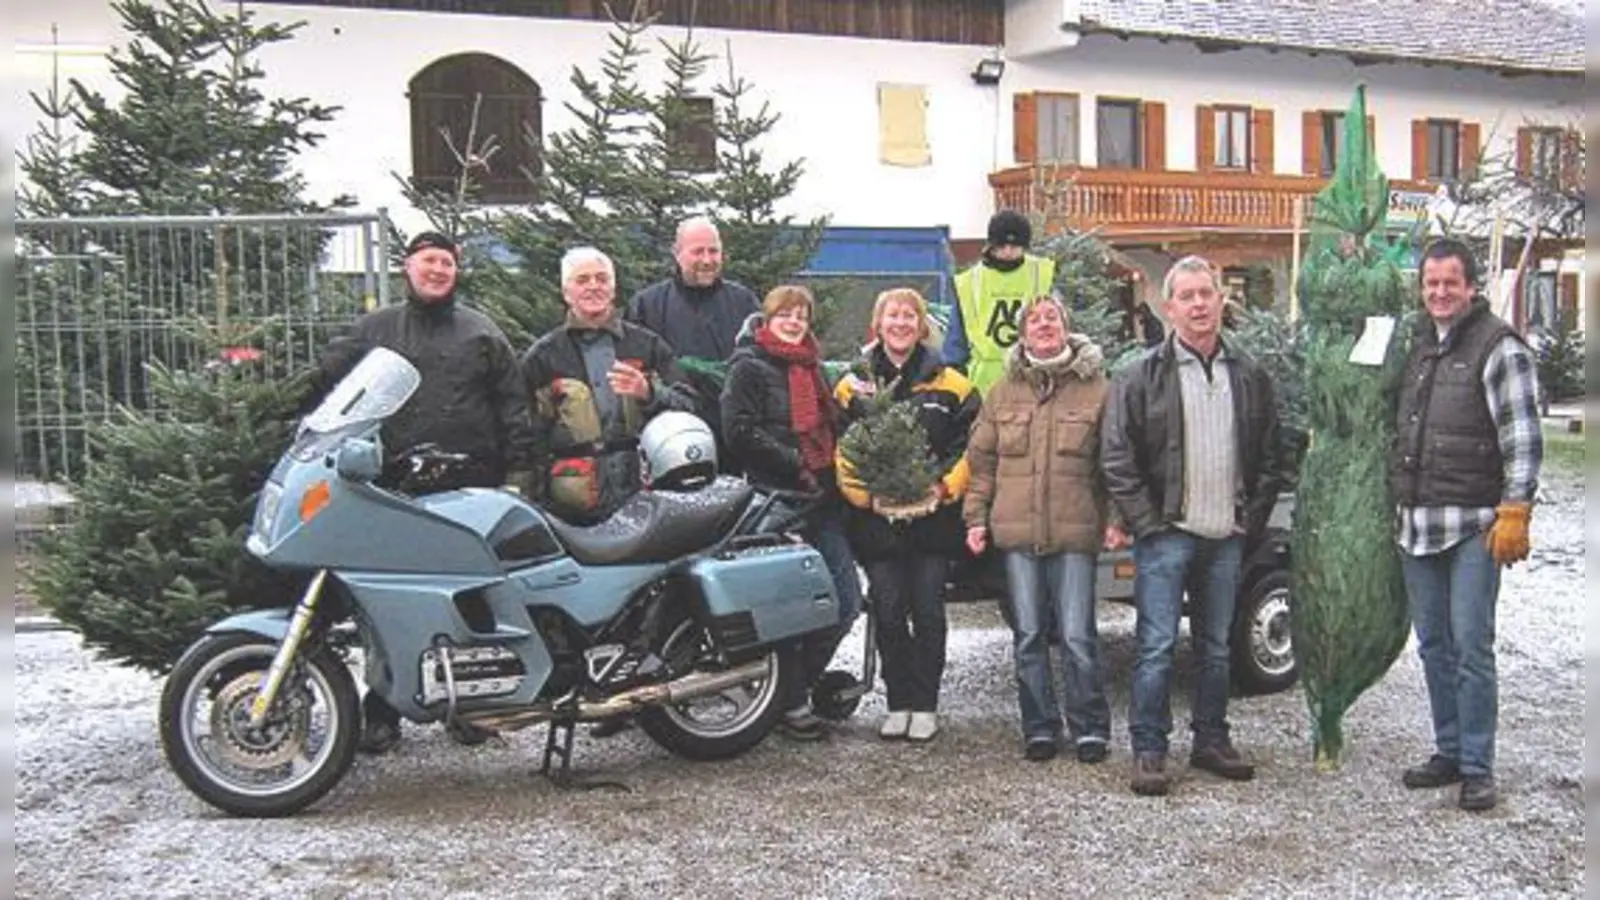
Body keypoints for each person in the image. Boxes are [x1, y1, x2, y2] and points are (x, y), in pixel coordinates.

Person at [306, 230, 539, 755]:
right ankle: (382, 709)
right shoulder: (375, 329)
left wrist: (519, 476)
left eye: (447, 263)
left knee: (468, 603)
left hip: (468, 491)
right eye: (428, 261)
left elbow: (513, 408)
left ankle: (471, 706)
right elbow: (326, 381)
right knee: (383, 603)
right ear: (408, 267)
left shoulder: (482, 333)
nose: (438, 270)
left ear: (457, 272)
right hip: (391, 490)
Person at [1099, 254, 1284, 796]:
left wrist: (1247, 520)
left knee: (1218, 646)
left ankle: (1211, 738)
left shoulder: (1248, 375)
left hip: (1224, 536)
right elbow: (1116, 456)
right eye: (1189, 296)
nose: (1200, 304)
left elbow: (1271, 457)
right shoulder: (1140, 375)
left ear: (1221, 301)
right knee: (1156, 645)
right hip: (1166, 536)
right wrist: (1147, 524)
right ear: (1168, 306)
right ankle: (1150, 749)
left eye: (1208, 293)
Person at [1391, 238, 1542, 813]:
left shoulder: (1499, 347)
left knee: (1470, 645)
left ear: (1471, 286)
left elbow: (1522, 436)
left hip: (1474, 527)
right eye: (1431, 283)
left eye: (1450, 282)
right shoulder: (1419, 348)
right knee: (1433, 645)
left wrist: (1515, 508)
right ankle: (1448, 749)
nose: (1439, 292)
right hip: (1418, 524)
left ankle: (1478, 765)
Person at [962, 294, 1119, 763]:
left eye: (1052, 317)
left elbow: (1113, 463)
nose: (1044, 325)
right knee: (1028, 635)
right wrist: (975, 517)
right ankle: (1040, 727)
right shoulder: (1002, 390)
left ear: (1066, 329)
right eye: (1035, 319)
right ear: (1023, 332)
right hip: (1017, 535)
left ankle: (1090, 727)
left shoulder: (1098, 388)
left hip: (1075, 533)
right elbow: (982, 461)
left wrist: (1117, 520)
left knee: (1076, 635)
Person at [834, 288, 979, 744]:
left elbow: (971, 445)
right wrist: (866, 499)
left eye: (909, 316)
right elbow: (841, 448)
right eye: (892, 316)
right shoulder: (853, 382)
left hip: (933, 522)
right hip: (878, 523)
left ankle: (926, 704)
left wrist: (945, 487)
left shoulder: (950, 382)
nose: (900, 324)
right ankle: (898, 702)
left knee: (929, 611)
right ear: (878, 324)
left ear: (921, 325)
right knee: (890, 609)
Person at [721, 285, 865, 740]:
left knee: (845, 603)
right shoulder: (748, 367)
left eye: (802, 315)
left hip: (821, 502)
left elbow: (830, 429)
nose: (795, 321)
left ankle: (790, 691)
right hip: (774, 503)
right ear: (768, 318)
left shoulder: (815, 368)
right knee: (785, 609)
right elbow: (738, 431)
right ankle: (787, 702)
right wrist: (795, 463)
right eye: (786, 313)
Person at [520, 246, 697, 524]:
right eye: (583, 280)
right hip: (572, 507)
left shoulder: (646, 344)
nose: (593, 287)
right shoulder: (544, 356)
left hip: (644, 495)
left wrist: (649, 393)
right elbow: (525, 437)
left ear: (613, 289)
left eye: (601, 279)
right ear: (566, 293)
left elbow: (688, 406)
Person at [942, 210, 1057, 395]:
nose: (1009, 252)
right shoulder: (970, 282)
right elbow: (957, 338)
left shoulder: (1041, 274)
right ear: (991, 245)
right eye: (1002, 246)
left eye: (1015, 246)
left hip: (1032, 376)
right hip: (982, 382)